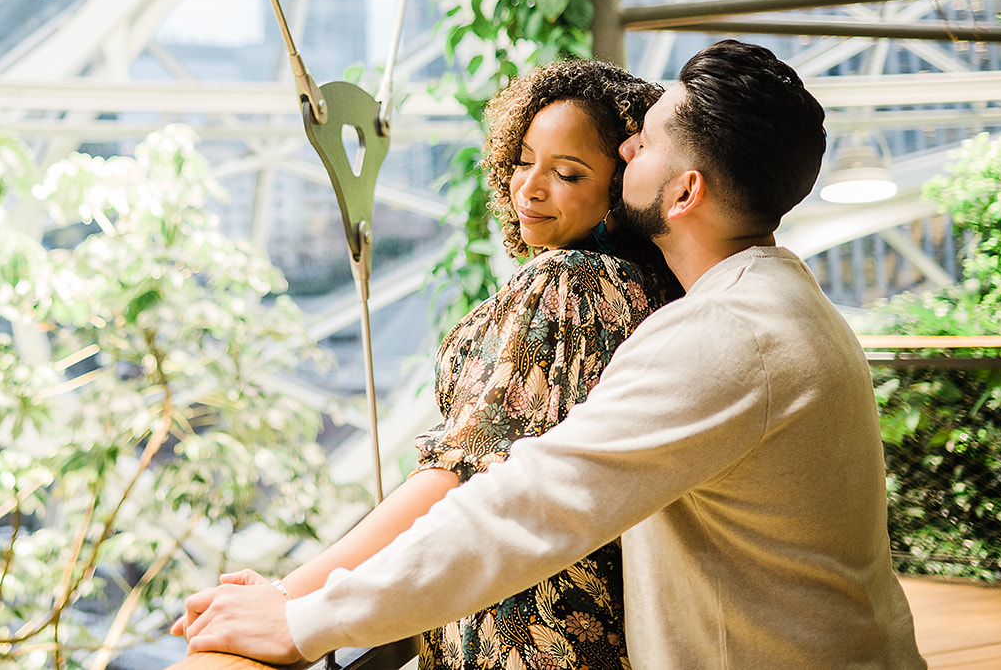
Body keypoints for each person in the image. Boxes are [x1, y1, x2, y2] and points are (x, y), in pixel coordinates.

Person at [176, 40, 926, 669]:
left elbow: (525, 500)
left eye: (649, 140)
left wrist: (300, 616)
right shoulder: (780, 301)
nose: (631, 142)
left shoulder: (725, 336)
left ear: (686, 190)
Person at [175, 60, 677, 669]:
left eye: (567, 173)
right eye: (523, 161)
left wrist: (290, 599)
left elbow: (457, 478)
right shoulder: (653, 288)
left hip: (525, 630)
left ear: (622, 188)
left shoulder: (566, 282)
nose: (530, 189)